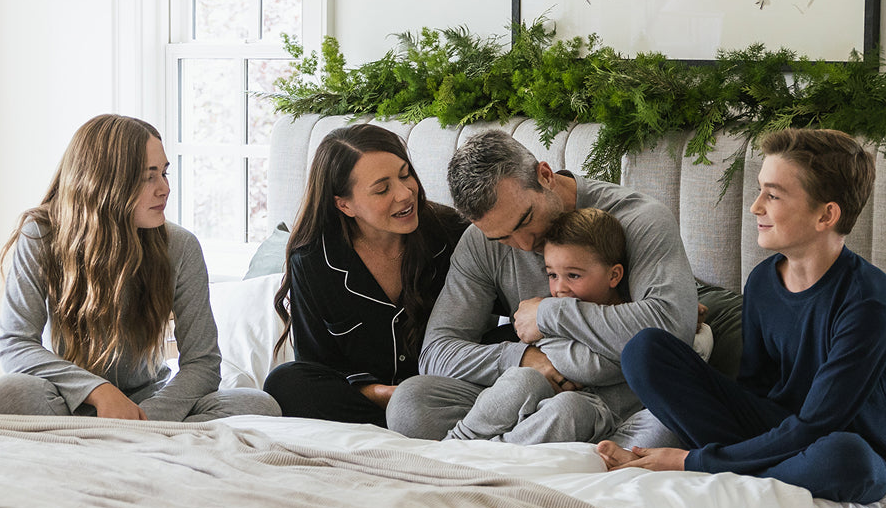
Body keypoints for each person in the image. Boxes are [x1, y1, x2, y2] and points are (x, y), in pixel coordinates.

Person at [599, 127, 886, 504]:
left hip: (854, 446)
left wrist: (691, 461)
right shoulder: (763, 282)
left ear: (826, 215)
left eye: (773, 194)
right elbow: (754, 393)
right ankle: (740, 466)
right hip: (782, 427)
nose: (755, 206)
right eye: (760, 190)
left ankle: (720, 466)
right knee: (645, 350)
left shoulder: (869, 304)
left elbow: (818, 425)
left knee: (843, 459)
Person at [387, 129, 697, 444]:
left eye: (525, 220)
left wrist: (548, 314)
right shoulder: (480, 241)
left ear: (545, 175)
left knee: (671, 426)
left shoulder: (639, 220)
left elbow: (672, 330)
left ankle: (494, 453)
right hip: (527, 392)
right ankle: (512, 446)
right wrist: (525, 359)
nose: (523, 244)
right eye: (502, 237)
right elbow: (437, 353)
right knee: (411, 404)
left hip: (620, 406)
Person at [0, 114, 279, 421]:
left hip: (146, 405)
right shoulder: (41, 235)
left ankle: (101, 441)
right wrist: (99, 392)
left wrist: (144, 419)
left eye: (165, 173)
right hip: (67, 400)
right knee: (8, 393)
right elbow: (15, 343)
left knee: (259, 405)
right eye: (148, 177)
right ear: (104, 181)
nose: (164, 188)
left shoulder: (180, 246)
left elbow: (203, 363)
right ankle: (114, 438)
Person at [265, 123, 467, 426]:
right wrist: (386, 394)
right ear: (344, 204)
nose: (405, 193)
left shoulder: (449, 232)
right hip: (370, 398)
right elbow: (317, 363)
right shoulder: (312, 260)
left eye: (405, 174)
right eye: (382, 188)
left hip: (448, 389)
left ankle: (426, 417)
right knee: (285, 382)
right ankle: (414, 419)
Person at [445, 207, 630, 443]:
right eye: (552, 275)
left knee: (570, 407)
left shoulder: (624, 320)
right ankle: (457, 442)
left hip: (598, 413)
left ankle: (493, 454)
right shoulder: (558, 307)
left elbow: (590, 367)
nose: (559, 288)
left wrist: (547, 324)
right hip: (542, 401)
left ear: (613, 276)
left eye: (573, 275)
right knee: (523, 379)